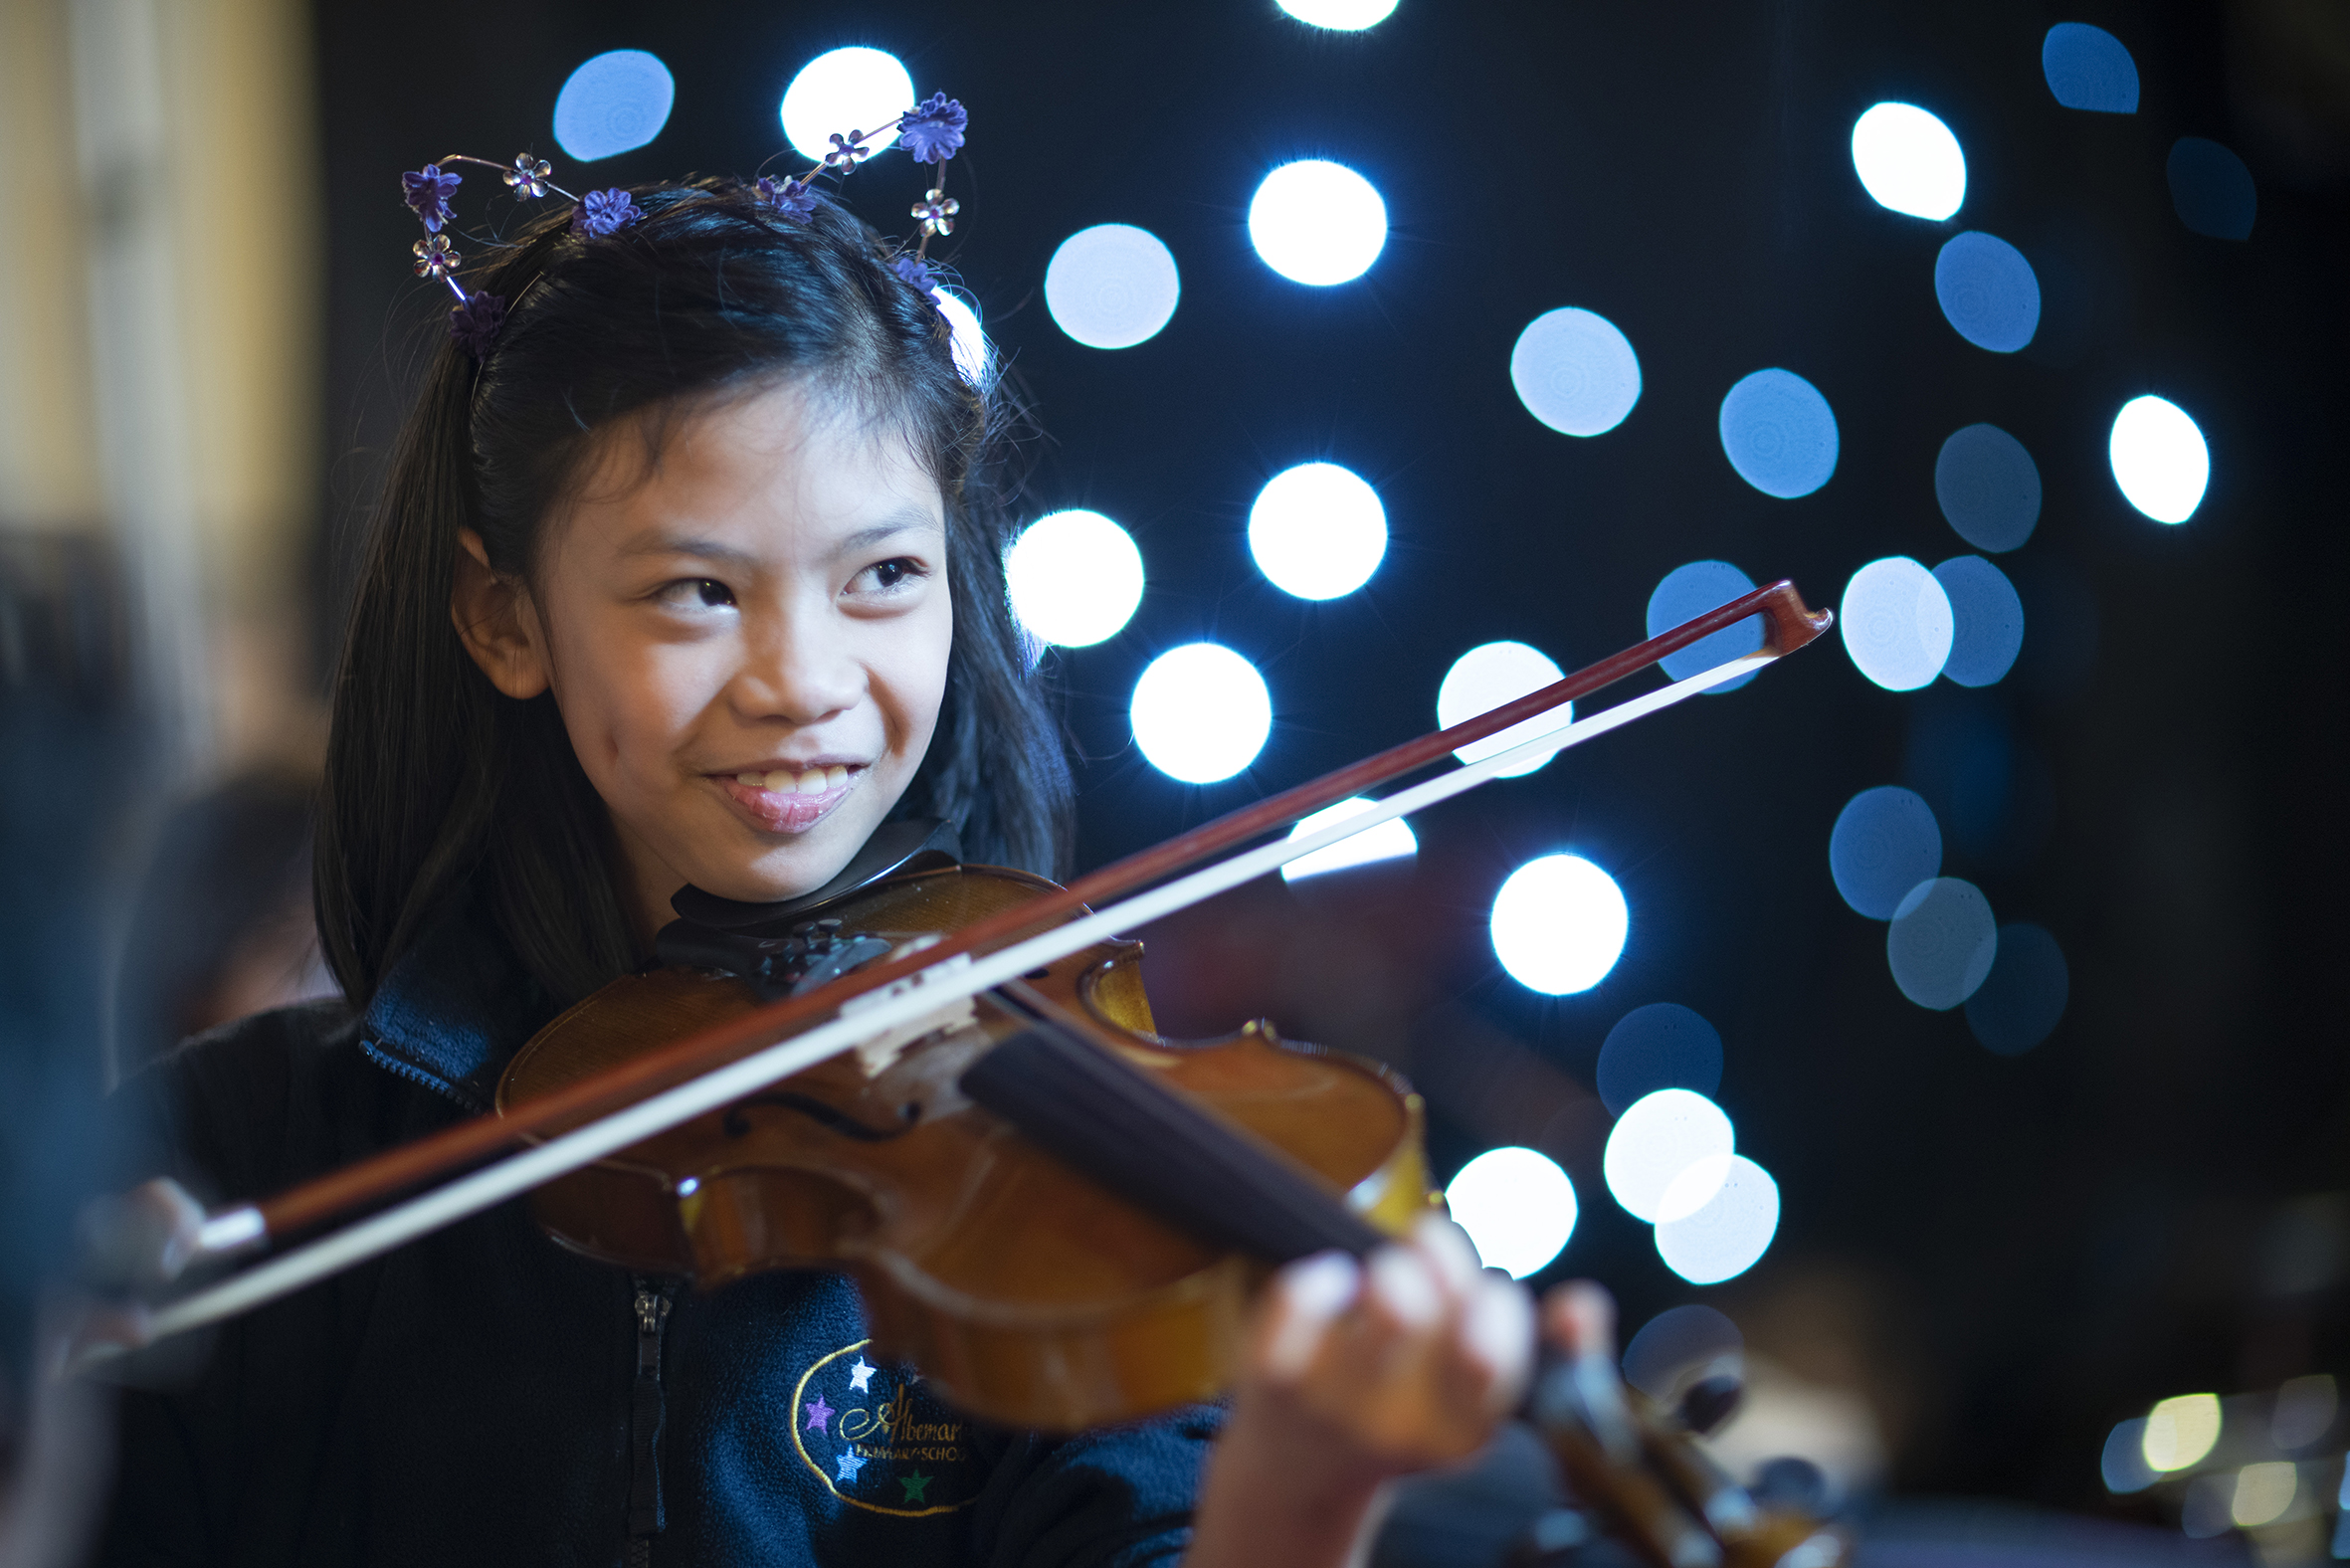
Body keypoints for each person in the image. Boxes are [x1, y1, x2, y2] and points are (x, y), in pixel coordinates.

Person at [94, 162, 1558, 1568]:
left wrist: (1299, 1510)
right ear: (503, 620)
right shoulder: (236, 1147)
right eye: (695, 591)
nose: (803, 681)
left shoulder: (1057, 1195)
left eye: (882, 577)